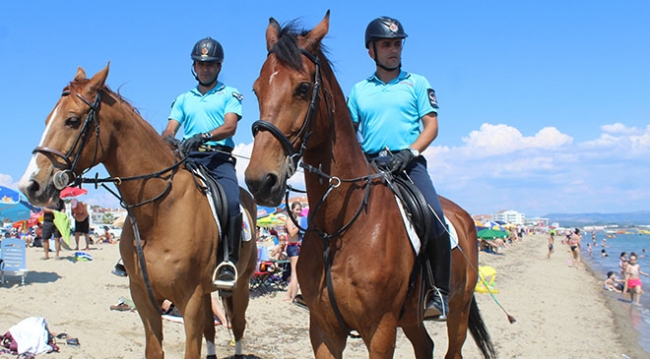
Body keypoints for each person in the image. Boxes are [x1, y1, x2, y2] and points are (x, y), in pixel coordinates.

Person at [347, 16, 451, 321]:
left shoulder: (417, 83)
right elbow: (350, 133)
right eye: (386, 44)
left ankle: (439, 293)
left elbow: (431, 126)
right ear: (371, 51)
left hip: (409, 164)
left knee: (434, 216)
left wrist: (411, 152)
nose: (393, 50)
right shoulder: (358, 90)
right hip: (371, 165)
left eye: (397, 44)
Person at [161, 36, 243, 291]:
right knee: (154, 193)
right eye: (200, 64)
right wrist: (169, 140)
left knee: (231, 202)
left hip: (218, 160)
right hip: (188, 159)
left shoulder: (229, 93)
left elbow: (230, 126)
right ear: (194, 67)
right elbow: (170, 129)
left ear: (218, 67)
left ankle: (229, 260)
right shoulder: (184, 98)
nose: (205, 68)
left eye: (210, 64)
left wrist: (203, 136)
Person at [285, 202, 303, 302]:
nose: (299, 211)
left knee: (294, 272)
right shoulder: (290, 220)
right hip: (293, 246)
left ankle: (288, 295)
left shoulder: (295, 219)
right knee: (295, 273)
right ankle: (292, 297)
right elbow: (291, 233)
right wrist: (298, 225)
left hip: (296, 246)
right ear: (292, 209)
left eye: (300, 209)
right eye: (297, 209)